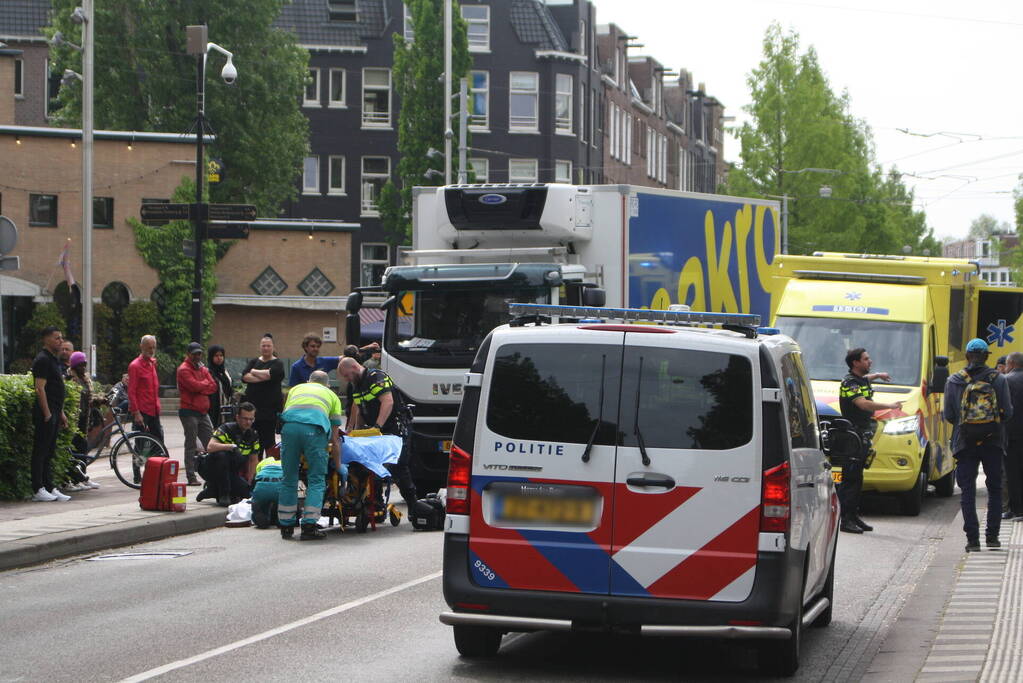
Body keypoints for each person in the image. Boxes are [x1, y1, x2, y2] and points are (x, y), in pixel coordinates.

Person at [944, 338, 1013, 552]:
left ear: (967, 356)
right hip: (993, 440)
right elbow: (1008, 412)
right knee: (995, 488)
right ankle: (992, 537)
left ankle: (972, 540)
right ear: (986, 356)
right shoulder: (998, 379)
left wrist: (967, 425)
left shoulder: (954, 380)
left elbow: (949, 415)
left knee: (967, 490)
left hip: (964, 441)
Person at [338, 356, 418, 519]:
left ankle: (413, 505)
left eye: (346, 375)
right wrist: (355, 433)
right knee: (371, 465)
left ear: (354, 367)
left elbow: (387, 402)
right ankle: (376, 505)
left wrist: (377, 427)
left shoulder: (376, 377)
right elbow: (360, 410)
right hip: (378, 430)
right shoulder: (357, 385)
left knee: (398, 466)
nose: (346, 379)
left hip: (395, 426)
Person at [838, 347, 902, 534]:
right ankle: (845, 519)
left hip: (861, 435)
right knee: (850, 480)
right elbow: (863, 404)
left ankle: (853, 515)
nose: (870, 361)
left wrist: (878, 375)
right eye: (866, 359)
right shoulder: (850, 383)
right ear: (855, 363)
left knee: (858, 478)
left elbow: (866, 379)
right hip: (852, 437)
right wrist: (890, 406)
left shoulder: (860, 379)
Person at [278, 370, 343, 541]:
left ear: (309, 381)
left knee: (289, 478)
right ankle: (308, 526)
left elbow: (288, 413)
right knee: (316, 479)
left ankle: (286, 526)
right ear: (328, 385)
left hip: (289, 429)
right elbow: (335, 438)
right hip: (314, 431)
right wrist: (338, 465)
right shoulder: (332, 396)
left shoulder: (295, 389)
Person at [31, 326, 71, 502]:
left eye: (61, 338)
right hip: (45, 413)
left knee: (49, 451)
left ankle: (49, 486)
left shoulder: (53, 360)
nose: (61, 341)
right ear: (46, 339)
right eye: (57, 338)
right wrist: (47, 413)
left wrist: (60, 412)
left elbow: (56, 389)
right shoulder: (42, 360)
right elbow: (40, 388)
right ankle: (38, 488)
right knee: (40, 451)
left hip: (55, 410)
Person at [199, 402, 260, 507]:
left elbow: (253, 460)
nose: (248, 422)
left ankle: (213, 489)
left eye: (251, 419)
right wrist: (230, 447)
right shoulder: (226, 428)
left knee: (246, 494)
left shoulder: (253, 435)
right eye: (245, 419)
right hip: (209, 468)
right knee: (222, 455)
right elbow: (210, 447)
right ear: (237, 417)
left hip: (231, 473)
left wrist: (251, 482)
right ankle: (223, 493)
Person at [177, 342, 218, 486]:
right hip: (189, 412)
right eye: (194, 354)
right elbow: (194, 386)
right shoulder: (183, 369)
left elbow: (214, 386)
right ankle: (191, 476)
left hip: (203, 412)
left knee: (212, 443)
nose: (197, 356)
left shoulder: (203, 368)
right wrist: (203, 385)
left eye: (199, 353)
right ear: (188, 354)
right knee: (191, 445)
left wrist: (201, 386)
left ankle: (213, 474)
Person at [242, 333, 285, 460]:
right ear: (260, 347)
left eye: (268, 346)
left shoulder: (278, 363)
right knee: (252, 440)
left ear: (273, 347)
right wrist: (265, 377)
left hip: (269, 411)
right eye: (263, 346)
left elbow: (273, 374)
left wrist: (254, 372)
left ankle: (271, 466)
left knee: (269, 441)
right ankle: (254, 465)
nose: (266, 348)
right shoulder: (254, 361)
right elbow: (245, 376)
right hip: (253, 410)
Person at [64, 351, 101, 491]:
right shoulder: (69, 378)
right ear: (74, 365)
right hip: (74, 419)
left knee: (83, 448)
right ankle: (70, 479)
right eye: (81, 364)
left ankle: (82, 477)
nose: (83, 367)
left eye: (85, 364)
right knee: (73, 450)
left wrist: (100, 400)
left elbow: (89, 398)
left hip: (84, 420)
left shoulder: (85, 379)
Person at [128, 334, 165, 448]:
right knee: (141, 444)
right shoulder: (135, 366)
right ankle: (138, 461)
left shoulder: (152, 363)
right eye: (149, 347)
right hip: (142, 411)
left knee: (159, 441)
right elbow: (131, 391)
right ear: (142, 347)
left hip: (153, 409)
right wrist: (136, 413)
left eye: (154, 347)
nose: (152, 350)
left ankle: (158, 459)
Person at [1005, 352, 1023, 522]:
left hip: (1011, 434)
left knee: (1012, 473)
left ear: (1011, 363)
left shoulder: (1007, 380)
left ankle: (1016, 509)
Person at [207, 344, 233, 429]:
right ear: (211, 357)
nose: (219, 358)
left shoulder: (224, 372)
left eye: (221, 355)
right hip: (213, 408)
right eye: (216, 356)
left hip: (226, 407)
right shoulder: (208, 372)